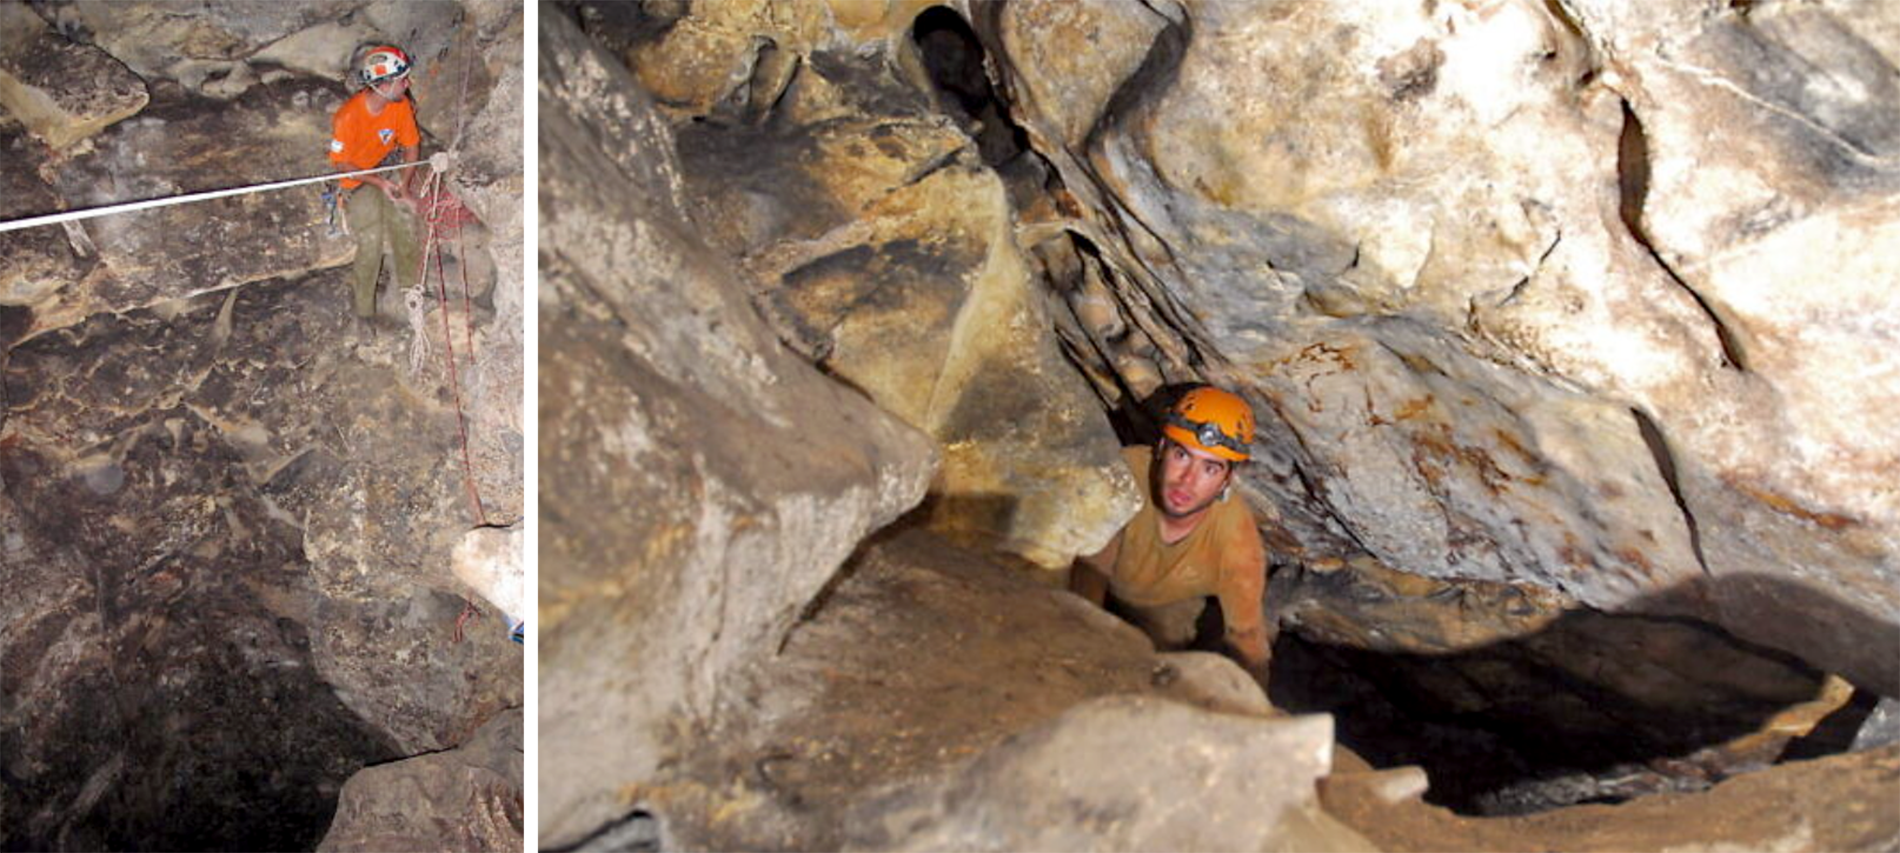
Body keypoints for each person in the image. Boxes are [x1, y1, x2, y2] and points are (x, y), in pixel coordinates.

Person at [1071, 386, 1274, 675]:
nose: (1187, 480)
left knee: (1168, 659)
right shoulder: (1126, 473)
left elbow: (1247, 637)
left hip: (1167, 609)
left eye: (1210, 469)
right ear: (1161, 448)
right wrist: (1081, 643)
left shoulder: (1236, 540)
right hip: (1094, 580)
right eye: (1181, 455)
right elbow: (1091, 567)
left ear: (1227, 480)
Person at [328, 45, 422, 320]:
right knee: (371, 241)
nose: (408, 84)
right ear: (383, 85)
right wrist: (380, 183)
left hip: (384, 168)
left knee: (404, 224)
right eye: (402, 80)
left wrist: (404, 187)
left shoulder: (400, 105)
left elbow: (411, 146)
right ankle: (364, 313)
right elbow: (342, 165)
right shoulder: (347, 116)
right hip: (355, 180)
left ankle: (411, 293)